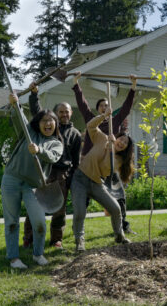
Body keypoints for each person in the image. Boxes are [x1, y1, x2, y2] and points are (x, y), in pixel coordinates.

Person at [1, 93, 64, 269]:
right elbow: (20, 118)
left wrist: (39, 150)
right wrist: (15, 105)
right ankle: (13, 258)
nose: (48, 123)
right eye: (44, 120)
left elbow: (53, 157)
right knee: (11, 221)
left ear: (56, 124)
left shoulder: (56, 143)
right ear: (38, 123)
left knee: (39, 223)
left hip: (34, 186)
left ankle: (38, 254)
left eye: (51, 121)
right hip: (12, 179)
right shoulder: (29, 132)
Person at [72, 72, 137, 234]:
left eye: (106, 105)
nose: (104, 107)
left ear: (110, 108)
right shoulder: (91, 119)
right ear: (98, 109)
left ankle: (123, 226)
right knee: (83, 200)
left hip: (109, 166)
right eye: (101, 105)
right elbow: (82, 103)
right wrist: (76, 84)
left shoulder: (115, 121)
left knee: (119, 196)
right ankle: (79, 228)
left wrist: (133, 87)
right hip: (91, 166)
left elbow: (127, 107)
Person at [22, 82, 82, 251]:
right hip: (44, 170)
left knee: (59, 209)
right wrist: (34, 95)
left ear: (71, 113)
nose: (64, 114)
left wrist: (71, 179)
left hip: (62, 174)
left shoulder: (75, 134)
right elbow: (37, 112)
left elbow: (76, 161)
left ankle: (56, 239)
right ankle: (29, 237)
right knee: (36, 205)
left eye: (66, 111)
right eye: (61, 112)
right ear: (55, 114)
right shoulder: (49, 128)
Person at [71, 108, 135, 251]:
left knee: (116, 209)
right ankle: (79, 241)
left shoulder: (119, 160)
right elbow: (90, 126)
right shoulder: (102, 138)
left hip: (96, 183)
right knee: (80, 212)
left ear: (126, 148)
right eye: (121, 139)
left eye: (125, 143)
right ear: (117, 137)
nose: (122, 143)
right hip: (80, 179)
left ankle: (120, 236)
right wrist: (103, 116)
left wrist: (111, 149)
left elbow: (106, 167)